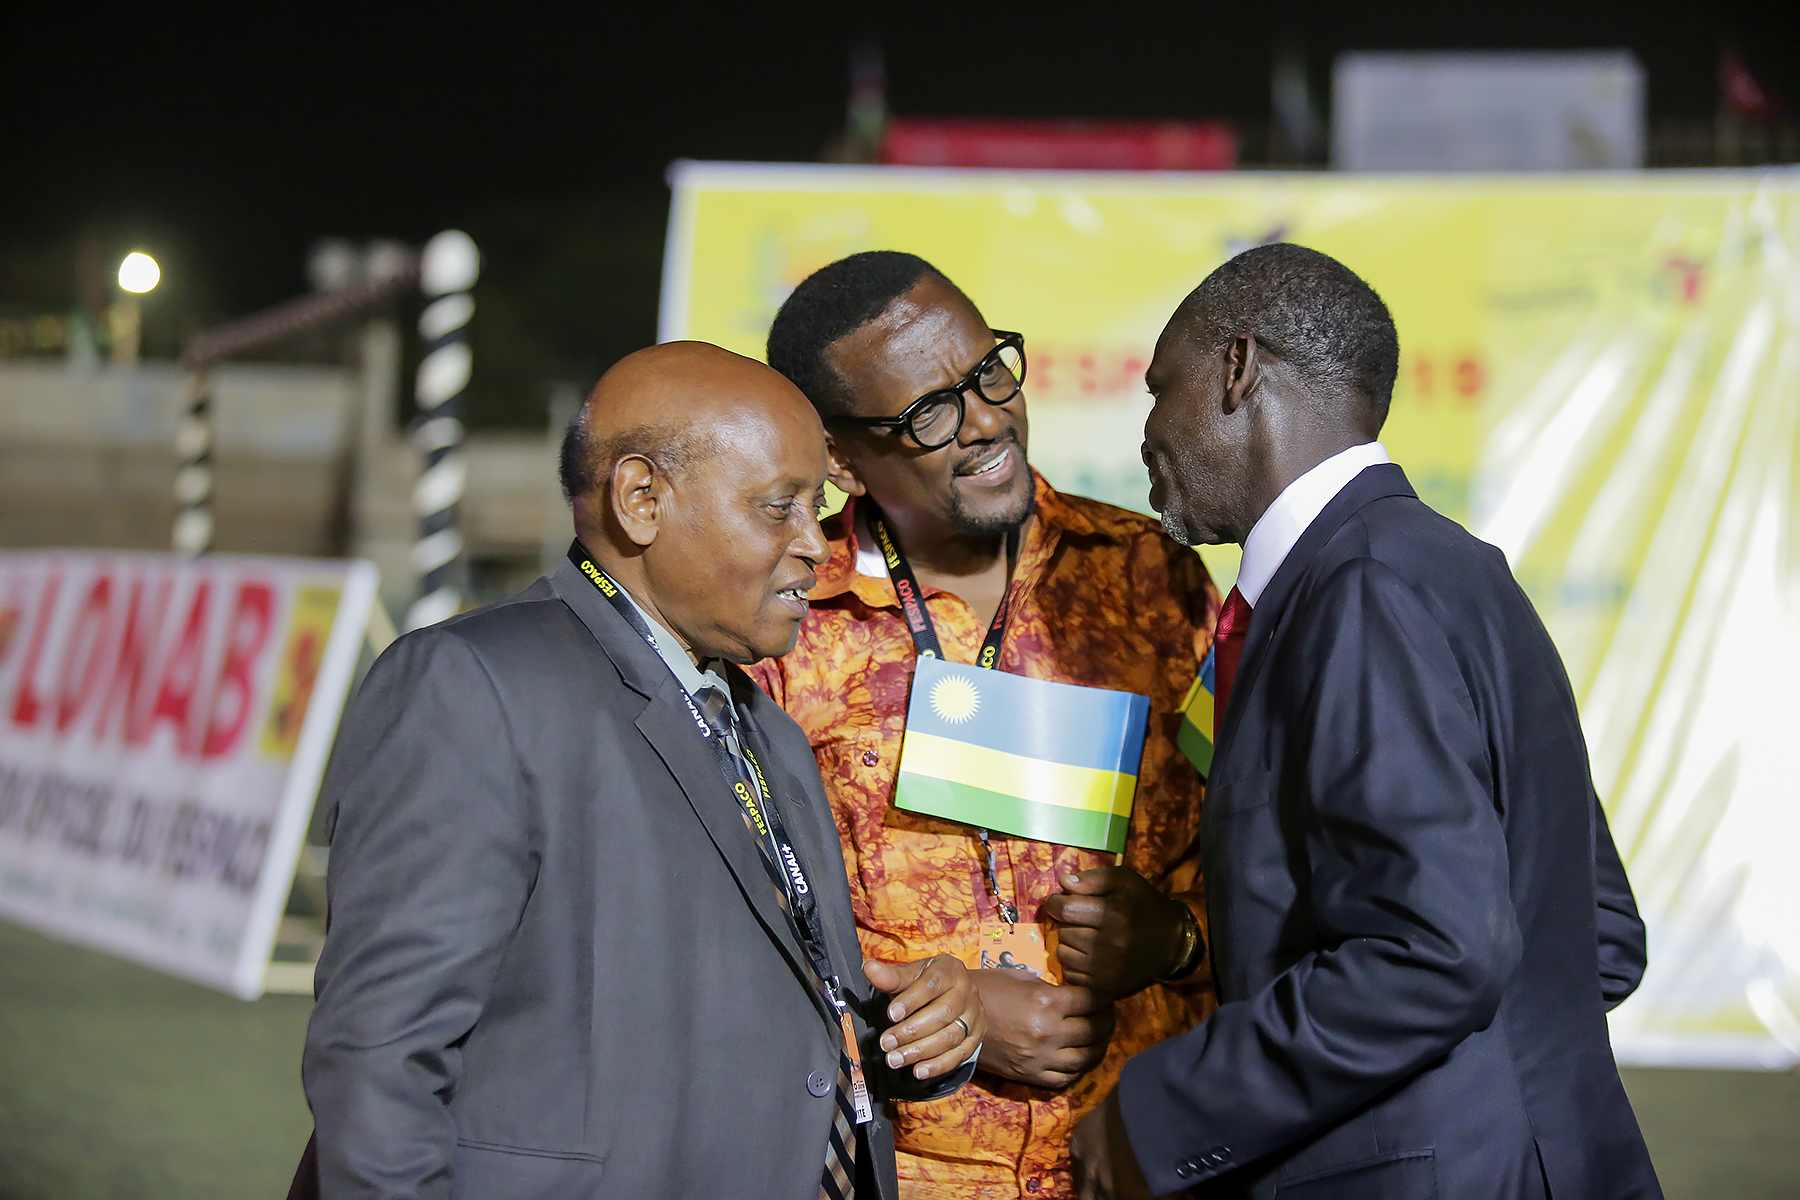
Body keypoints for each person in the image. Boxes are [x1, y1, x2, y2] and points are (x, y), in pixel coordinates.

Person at [299, 341, 985, 1200]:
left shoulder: (765, 726)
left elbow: (763, 1011)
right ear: (641, 498)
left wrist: (914, 1032)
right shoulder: (473, 687)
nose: (816, 544)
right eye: (780, 509)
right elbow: (379, 1063)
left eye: (820, 506)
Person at [1071, 244, 1659, 1199]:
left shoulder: (1358, 591)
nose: (1147, 430)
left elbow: (1438, 950)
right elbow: (1596, 936)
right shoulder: (1454, 568)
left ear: (1238, 369)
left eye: (1157, 389)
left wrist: (1161, 1112)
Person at [755, 251, 1220, 1200]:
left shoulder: (1151, 580)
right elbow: (737, 931)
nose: (986, 421)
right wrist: (939, 1012)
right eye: (929, 413)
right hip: (901, 1171)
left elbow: (1264, 854)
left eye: (989, 372)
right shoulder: (787, 632)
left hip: (1143, 1159)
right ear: (841, 460)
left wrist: (1175, 939)